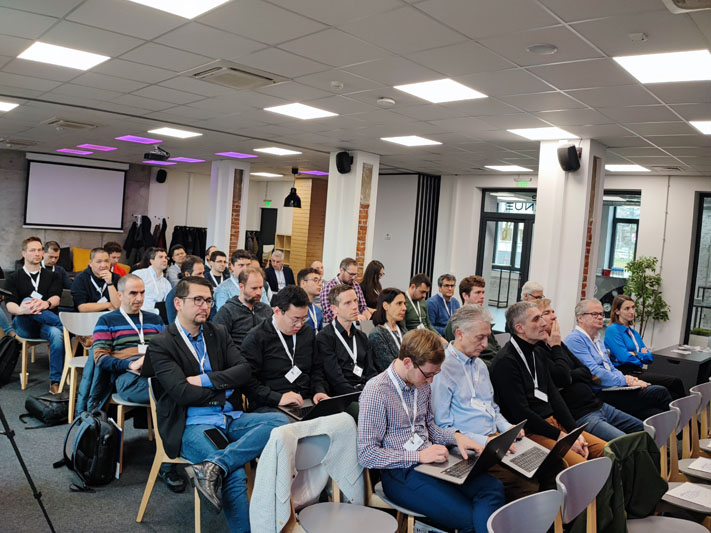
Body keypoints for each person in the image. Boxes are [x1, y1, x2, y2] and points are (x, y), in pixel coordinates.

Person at [142, 276, 288, 530]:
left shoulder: (217, 332)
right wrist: (222, 392)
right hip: (193, 424)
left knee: (281, 423)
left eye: (208, 300)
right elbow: (181, 393)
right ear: (178, 303)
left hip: (229, 417)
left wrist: (204, 380)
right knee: (234, 474)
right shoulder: (162, 344)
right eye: (197, 300)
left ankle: (214, 465)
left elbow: (244, 371)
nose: (205, 306)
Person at [358, 328, 505, 533]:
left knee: (493, 488)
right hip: (400, 472)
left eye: (435, 374)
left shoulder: (422, 384)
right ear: (407, 362)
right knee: (467, 518)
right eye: (428, 374)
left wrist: (456, 437)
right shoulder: (376, 391)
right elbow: (367, 454)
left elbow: (430, 427)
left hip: (433, 461)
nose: (430, 382)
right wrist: (418, 456)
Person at [432, 305, 542, 500]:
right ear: (459, 334)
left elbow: (492, 408)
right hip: (468, 449)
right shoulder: (442, 369)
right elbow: (443, 426)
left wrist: (508, 428)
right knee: (526, 485)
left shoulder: (480, 365)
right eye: (479, 337)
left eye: (487, 337)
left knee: (547, 466)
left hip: (495, 440)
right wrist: (486, 441)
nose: (485, 344)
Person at [89, 274, 185, 491]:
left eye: (142, 292)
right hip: (127, 378)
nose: (139, 298)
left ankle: (180, 452)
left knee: (181, 389)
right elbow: (100, 358)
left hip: (158, 372)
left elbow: (170, 347)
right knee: (173, 394)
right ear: (120, 295)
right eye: (133, 293)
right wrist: (130, 364)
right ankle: (168, 464)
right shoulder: (107, 321)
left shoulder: (154, 319)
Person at [490, 302, 606, 466]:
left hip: (554, 424)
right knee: (581, 465)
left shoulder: (537, 352)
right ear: (520, 328)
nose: (544, 323)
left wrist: (574, 432)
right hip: (532, 430)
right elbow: (521, 413)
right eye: (536, 319)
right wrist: (561, 437)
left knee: (608, 451)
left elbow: (554, 396)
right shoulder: (506, 362)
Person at [535, 299, 644, 442]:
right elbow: (562, 377)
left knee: (643, 429)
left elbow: (586, 371)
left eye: (553, 312)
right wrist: (556, 349)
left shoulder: (560, 344)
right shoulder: (541, 349)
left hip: (597, 404)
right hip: (582, 412)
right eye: (547, 313)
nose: (554, 316)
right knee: (625, 442)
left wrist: (571, 374)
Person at [565, 298, 672, 421]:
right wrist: (625, 380)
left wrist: (626, 379)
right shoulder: (575, 339)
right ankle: (681, 428)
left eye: (601, 314)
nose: (600, 317)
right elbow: (594, 372)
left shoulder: (597, 340)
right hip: (600, 392)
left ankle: (675, 429)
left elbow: (610, 367)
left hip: (613, 386)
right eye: (594, 314)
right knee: (660, 392)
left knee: (655, 412)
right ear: (580, 318)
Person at [241, 285, 328, 412]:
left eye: (304, 319)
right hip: (271, 405)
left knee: (342, 419)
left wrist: (319, 391)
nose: (299, 325)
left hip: (306, 400)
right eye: (295, 319)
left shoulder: (307, 333)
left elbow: (317, 369)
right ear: (277, 311)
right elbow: (248, 383)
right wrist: (278, 398)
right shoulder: (256, 338)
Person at [5, 237, 64, 393]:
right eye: (32, 250)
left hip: (46, 325)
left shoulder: (52, 276)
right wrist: (22, 310)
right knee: (26, 300)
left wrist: (46, 304)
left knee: (57, 334)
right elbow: (10, 305)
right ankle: (65, 325)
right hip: (24, 325)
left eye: (39, 250)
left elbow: (56, 298)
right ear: (24, 253)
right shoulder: (14, 277)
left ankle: (55, 382)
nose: (37, 253)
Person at [604, 294, 684, 400]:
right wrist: (641, 355)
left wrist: (635, 354)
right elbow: (624, 358)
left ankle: (676, 410)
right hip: (625, 373)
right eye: (627, 308)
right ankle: (687, 410)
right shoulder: (613, 330)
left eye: (633, 307)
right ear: (617, 311)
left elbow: (650, 358)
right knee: (675, 382)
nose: (632, 311)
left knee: (672, 389)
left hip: (638, 371)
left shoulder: (633, 333)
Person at [316, 284, 376, 416]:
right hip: (343, 397)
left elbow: (371, 372)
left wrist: (372, 392)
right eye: (348, 303)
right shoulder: (325, 338)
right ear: (334, 309)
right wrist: (362, 396)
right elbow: (336, 380)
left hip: (365, 391)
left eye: (355, 301)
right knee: (371, 412)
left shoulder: (361, 337)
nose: (355, 306)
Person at [444, 276, 500, 366]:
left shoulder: (483, 318)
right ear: (465, 296)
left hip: (494, 362)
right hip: (479, 366)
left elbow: (496, 346)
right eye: (478, 293)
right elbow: (461, 356)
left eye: (483, 292)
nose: (482, 296)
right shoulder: (455, 322)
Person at [214, 266, 272, 350]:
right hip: (238, 355)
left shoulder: (266, 310)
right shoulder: (227, 311)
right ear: (241, 287)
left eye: (260, 287)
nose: (259, 292)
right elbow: (218, 342)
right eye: (254, 288)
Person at [320, 257, 370, 324]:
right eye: (351, 274)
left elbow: (363, 307)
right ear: (342, 270)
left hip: (356, 323)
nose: (353, 277)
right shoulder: (329, 287)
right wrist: (356, 317)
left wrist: (368, 319)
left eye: (355, 274)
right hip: (335, 325)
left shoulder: (356, 285)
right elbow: (330, 313)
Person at [165, 256, 214, 323]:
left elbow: (213, 318)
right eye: (199, 274)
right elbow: (173, 323)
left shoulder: (206, 292)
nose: (203, 277)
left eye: (203, 273)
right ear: (187, 274)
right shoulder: (174, 294)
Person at [368, 288, 408, 372]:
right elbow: (388, 367)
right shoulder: (376, 335)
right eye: (399, 303)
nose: (404, 308)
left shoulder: (403, 330)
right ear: (385, 306)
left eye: (404, 303)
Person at [71, 248, 121, 312]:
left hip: (110, 316)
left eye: (106, 261)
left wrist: (109, 283)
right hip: (87, 316)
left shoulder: (116, 277)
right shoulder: (81, 278)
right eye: (99, 261)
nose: (103, 265)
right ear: (90, 263)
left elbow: (117, 306)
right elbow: (82, 308)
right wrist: (107, 305)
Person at [399, 274, 441, 341]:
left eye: (426, 292)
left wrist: (440, 338)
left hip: (427, 337)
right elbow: (403, 329)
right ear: (413, 287)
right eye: (422, 292)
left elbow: (428, 325)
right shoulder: (403, 302)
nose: (424, 296)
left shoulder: (423, 302)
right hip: (414, 340)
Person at [132, 247, 171, 314]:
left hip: (158, 315)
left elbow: (169, 302)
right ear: (151, 261)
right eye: (160, 257)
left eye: (166, 258)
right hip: (139, 313)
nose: (164, 260)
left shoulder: (166, 282)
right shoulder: (139, 274)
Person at [297, 267, 323, 332]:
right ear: (303, 283)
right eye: (315, 280)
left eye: (320, 281)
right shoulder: (294, 309)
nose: (320, 284)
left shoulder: (318, 310)